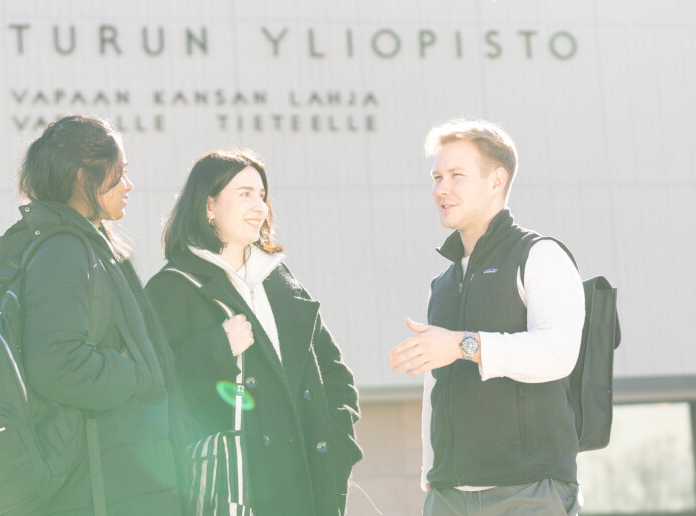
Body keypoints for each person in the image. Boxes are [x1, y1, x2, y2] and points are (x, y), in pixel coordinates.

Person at [145, 149, 362, 516]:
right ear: (209, 205)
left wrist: (339, 440)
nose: (259, 206)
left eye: (262, 195)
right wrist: (216, 348)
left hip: (308, 482)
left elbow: (333, 368)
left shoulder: (280, 280)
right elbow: (153, 388)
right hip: (235, 488)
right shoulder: (172, 288)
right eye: (244, 193)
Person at [388, 119, 586, 515]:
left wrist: (464, 344)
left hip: (528, 492)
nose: (441, 189)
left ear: (496, 181)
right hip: (447, 495)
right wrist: (432, 471)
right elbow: (435, 383)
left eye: (456, 176)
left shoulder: (539, 255)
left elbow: (559, 353)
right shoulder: (443, 281)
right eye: (437, 176)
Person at [9, 114, 184, 514]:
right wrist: (140, 371)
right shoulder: (64, 251)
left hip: (117, 480)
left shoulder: (92, 246)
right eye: (119, 173)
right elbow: (57, 363)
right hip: (99, 490)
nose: (129, 185)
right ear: (82, 176)